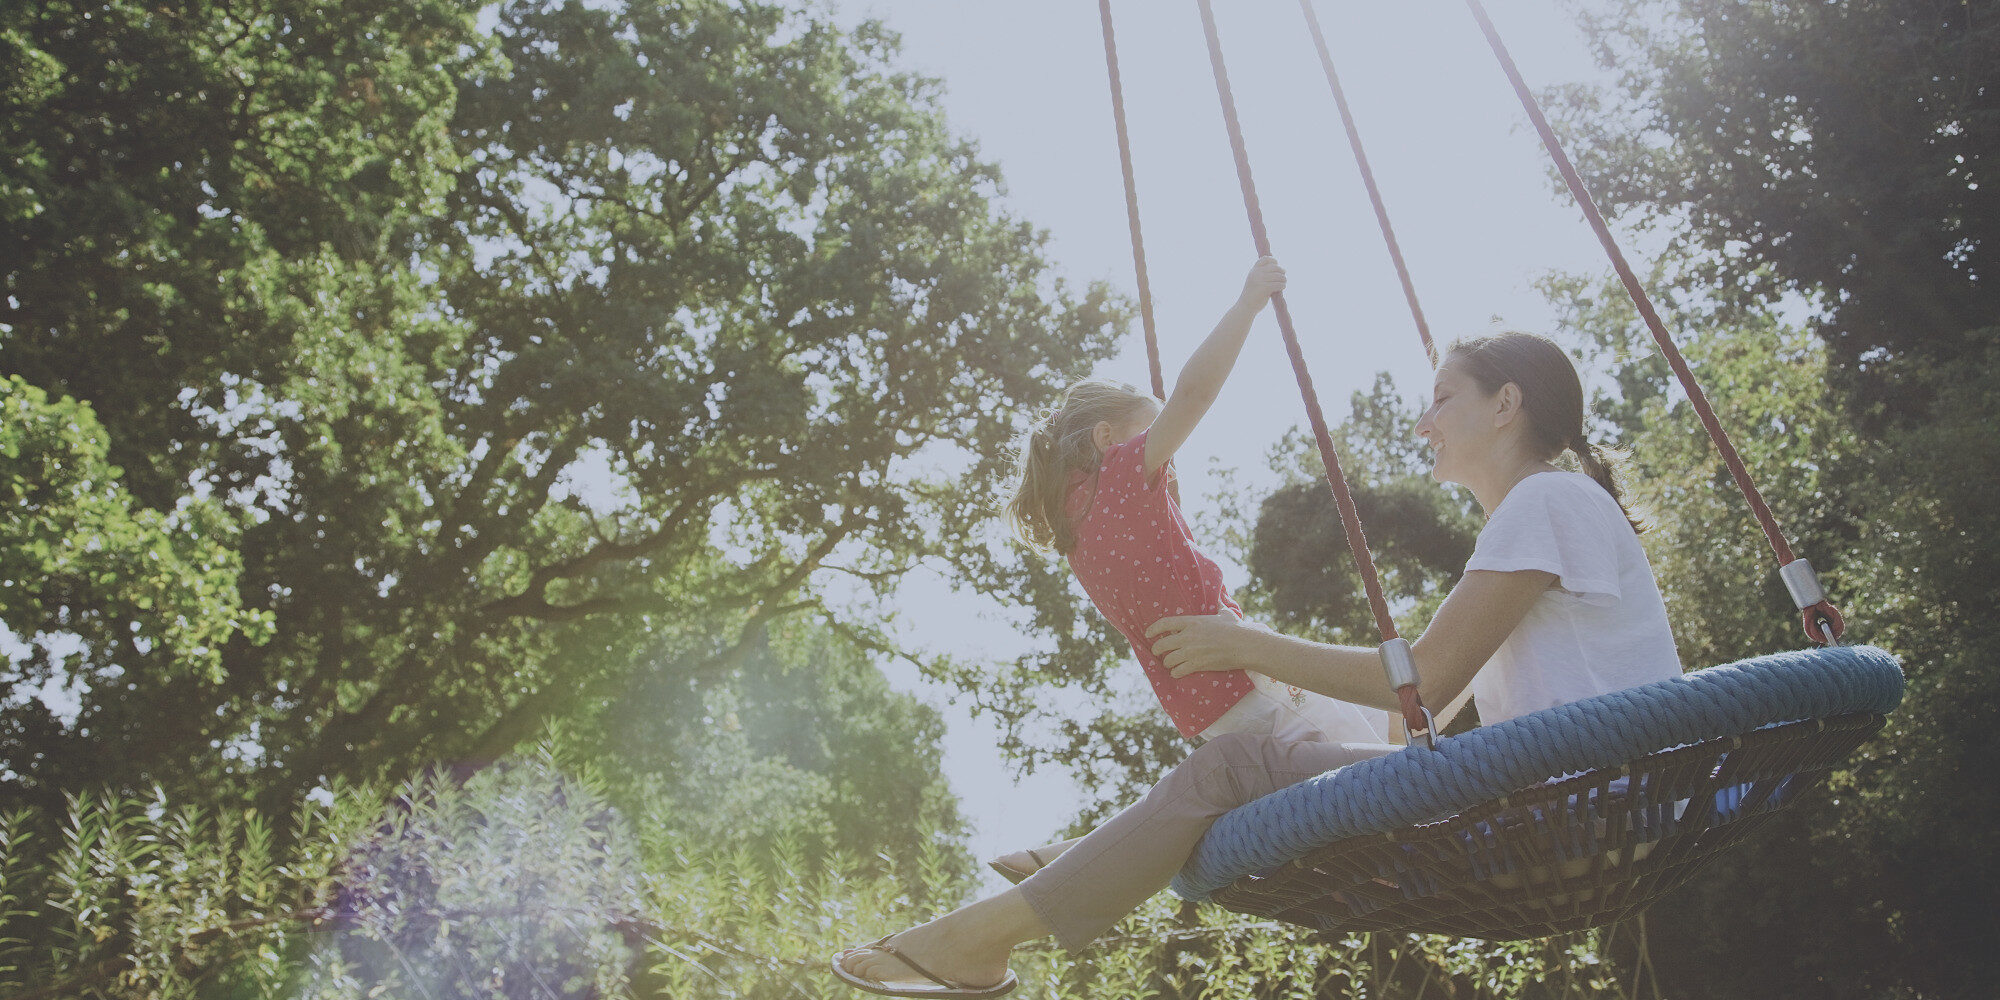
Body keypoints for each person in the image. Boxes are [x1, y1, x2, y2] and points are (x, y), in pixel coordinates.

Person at [830, 332, 1682, 998]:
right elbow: (1402, 722)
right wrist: (1269, 681)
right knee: (1236, 775)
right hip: (1561, 806)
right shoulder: (1531, 523)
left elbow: (1413, 680)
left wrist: (1243, 645)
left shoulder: (1547, 499)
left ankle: (980, 941)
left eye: (1442, 399)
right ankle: (1049, 887)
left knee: (1231, 767)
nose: (1422, 421)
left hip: (1578, 807)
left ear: (1506, 404)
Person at [984, 256, 1395, 887]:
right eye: (1151, 435)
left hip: (1205, 705)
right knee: (1394, 771)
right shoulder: (1122, 475)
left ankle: (1076, 850)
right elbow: (1195, 394)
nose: (1166, 455)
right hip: (1244, 673)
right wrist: (1247, 302)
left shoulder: (1074, 530)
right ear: (1104, 438)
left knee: (1292, 783)